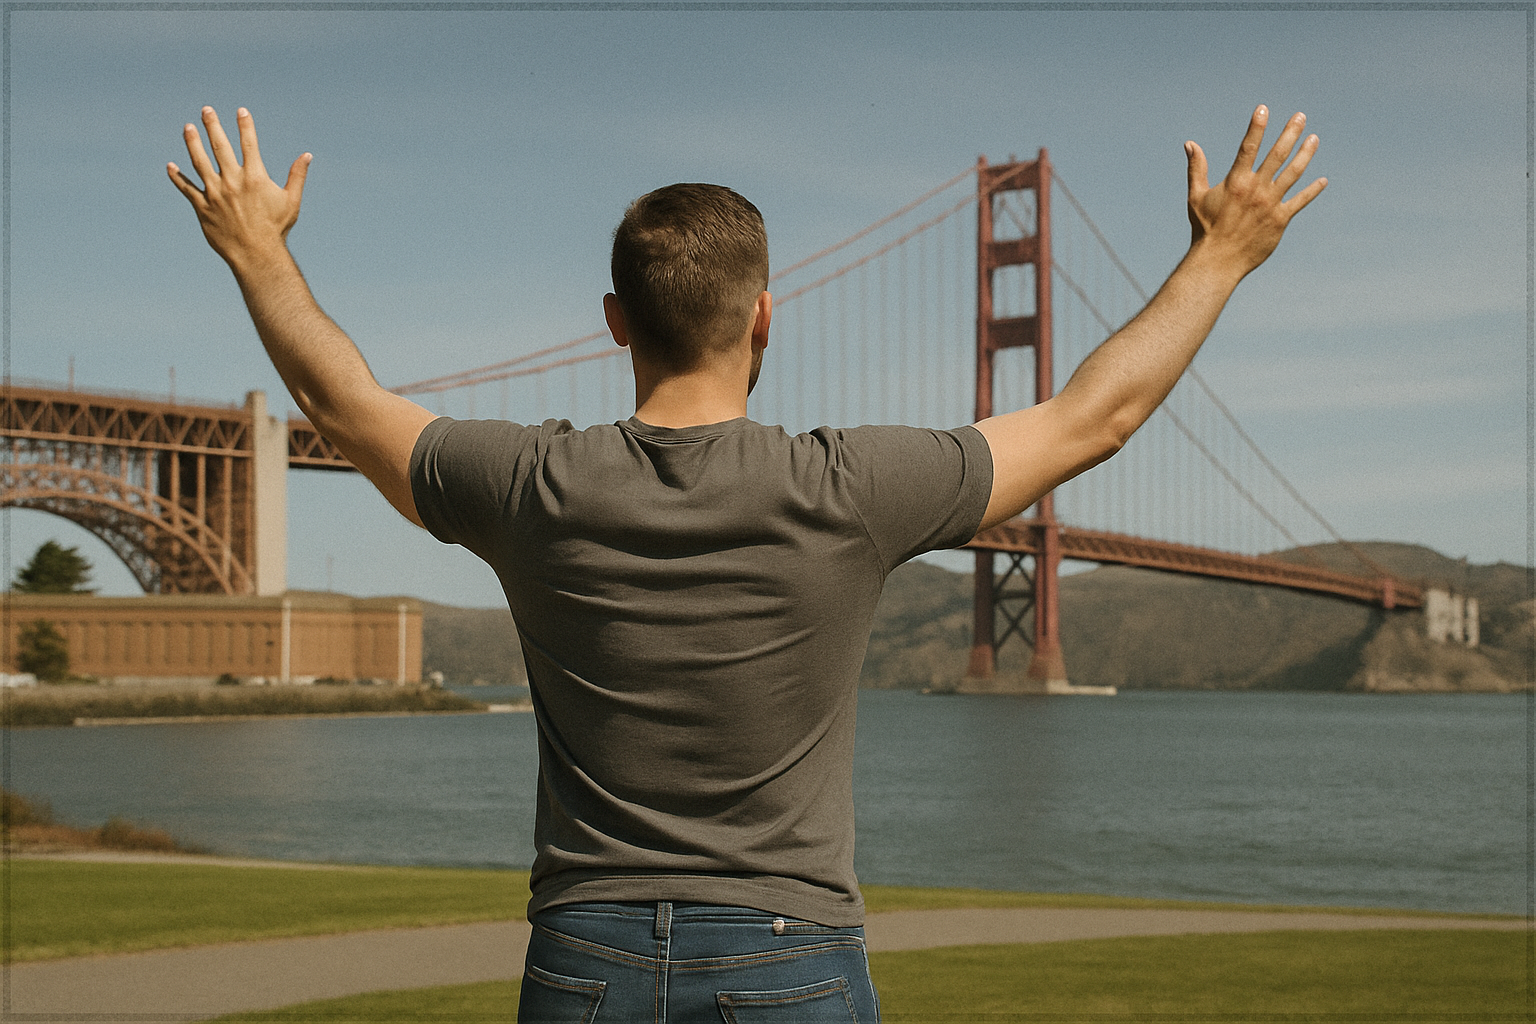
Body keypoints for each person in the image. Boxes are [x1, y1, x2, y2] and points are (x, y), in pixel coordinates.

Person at [169, 104, 1324, 1022]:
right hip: (794, 958)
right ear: (767, 316)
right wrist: (1224, 253)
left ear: (615, 318)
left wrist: (256, 245)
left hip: (583, 957)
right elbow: (1093, 418)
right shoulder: (851, 489)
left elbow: (336, 398)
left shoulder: (528, 486)